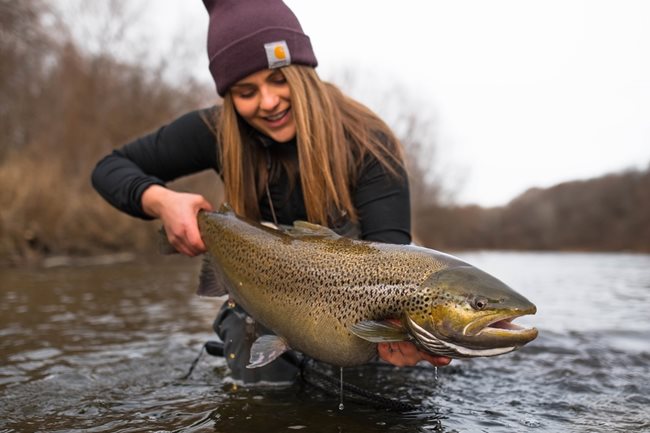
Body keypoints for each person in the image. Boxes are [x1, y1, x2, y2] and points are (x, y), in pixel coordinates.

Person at [91, 0, 451, 383]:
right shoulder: (216, 130)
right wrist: (161, 200)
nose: (268, 102)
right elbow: (108, 169)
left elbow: (390, 262)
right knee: (267, 391)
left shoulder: (367, 141)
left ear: (304, 73)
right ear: (229, 97)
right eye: (246, 91)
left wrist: (403, 331)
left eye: (279, 80)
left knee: (389, 384)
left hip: (351, 312)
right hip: (260, 301)